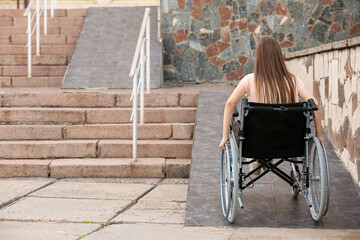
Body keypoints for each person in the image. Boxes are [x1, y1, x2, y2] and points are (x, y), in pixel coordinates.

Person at [218, 36, 324, 174]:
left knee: (242, 125)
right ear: (278, 56)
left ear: (259, 57)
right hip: (288, 141)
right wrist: (319, 135)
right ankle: (265, 158)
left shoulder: (250, 80)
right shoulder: (293, 80)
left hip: (257, 142)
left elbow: (230, 103)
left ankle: (259, 160)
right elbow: (315, 103)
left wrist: (224, 136)